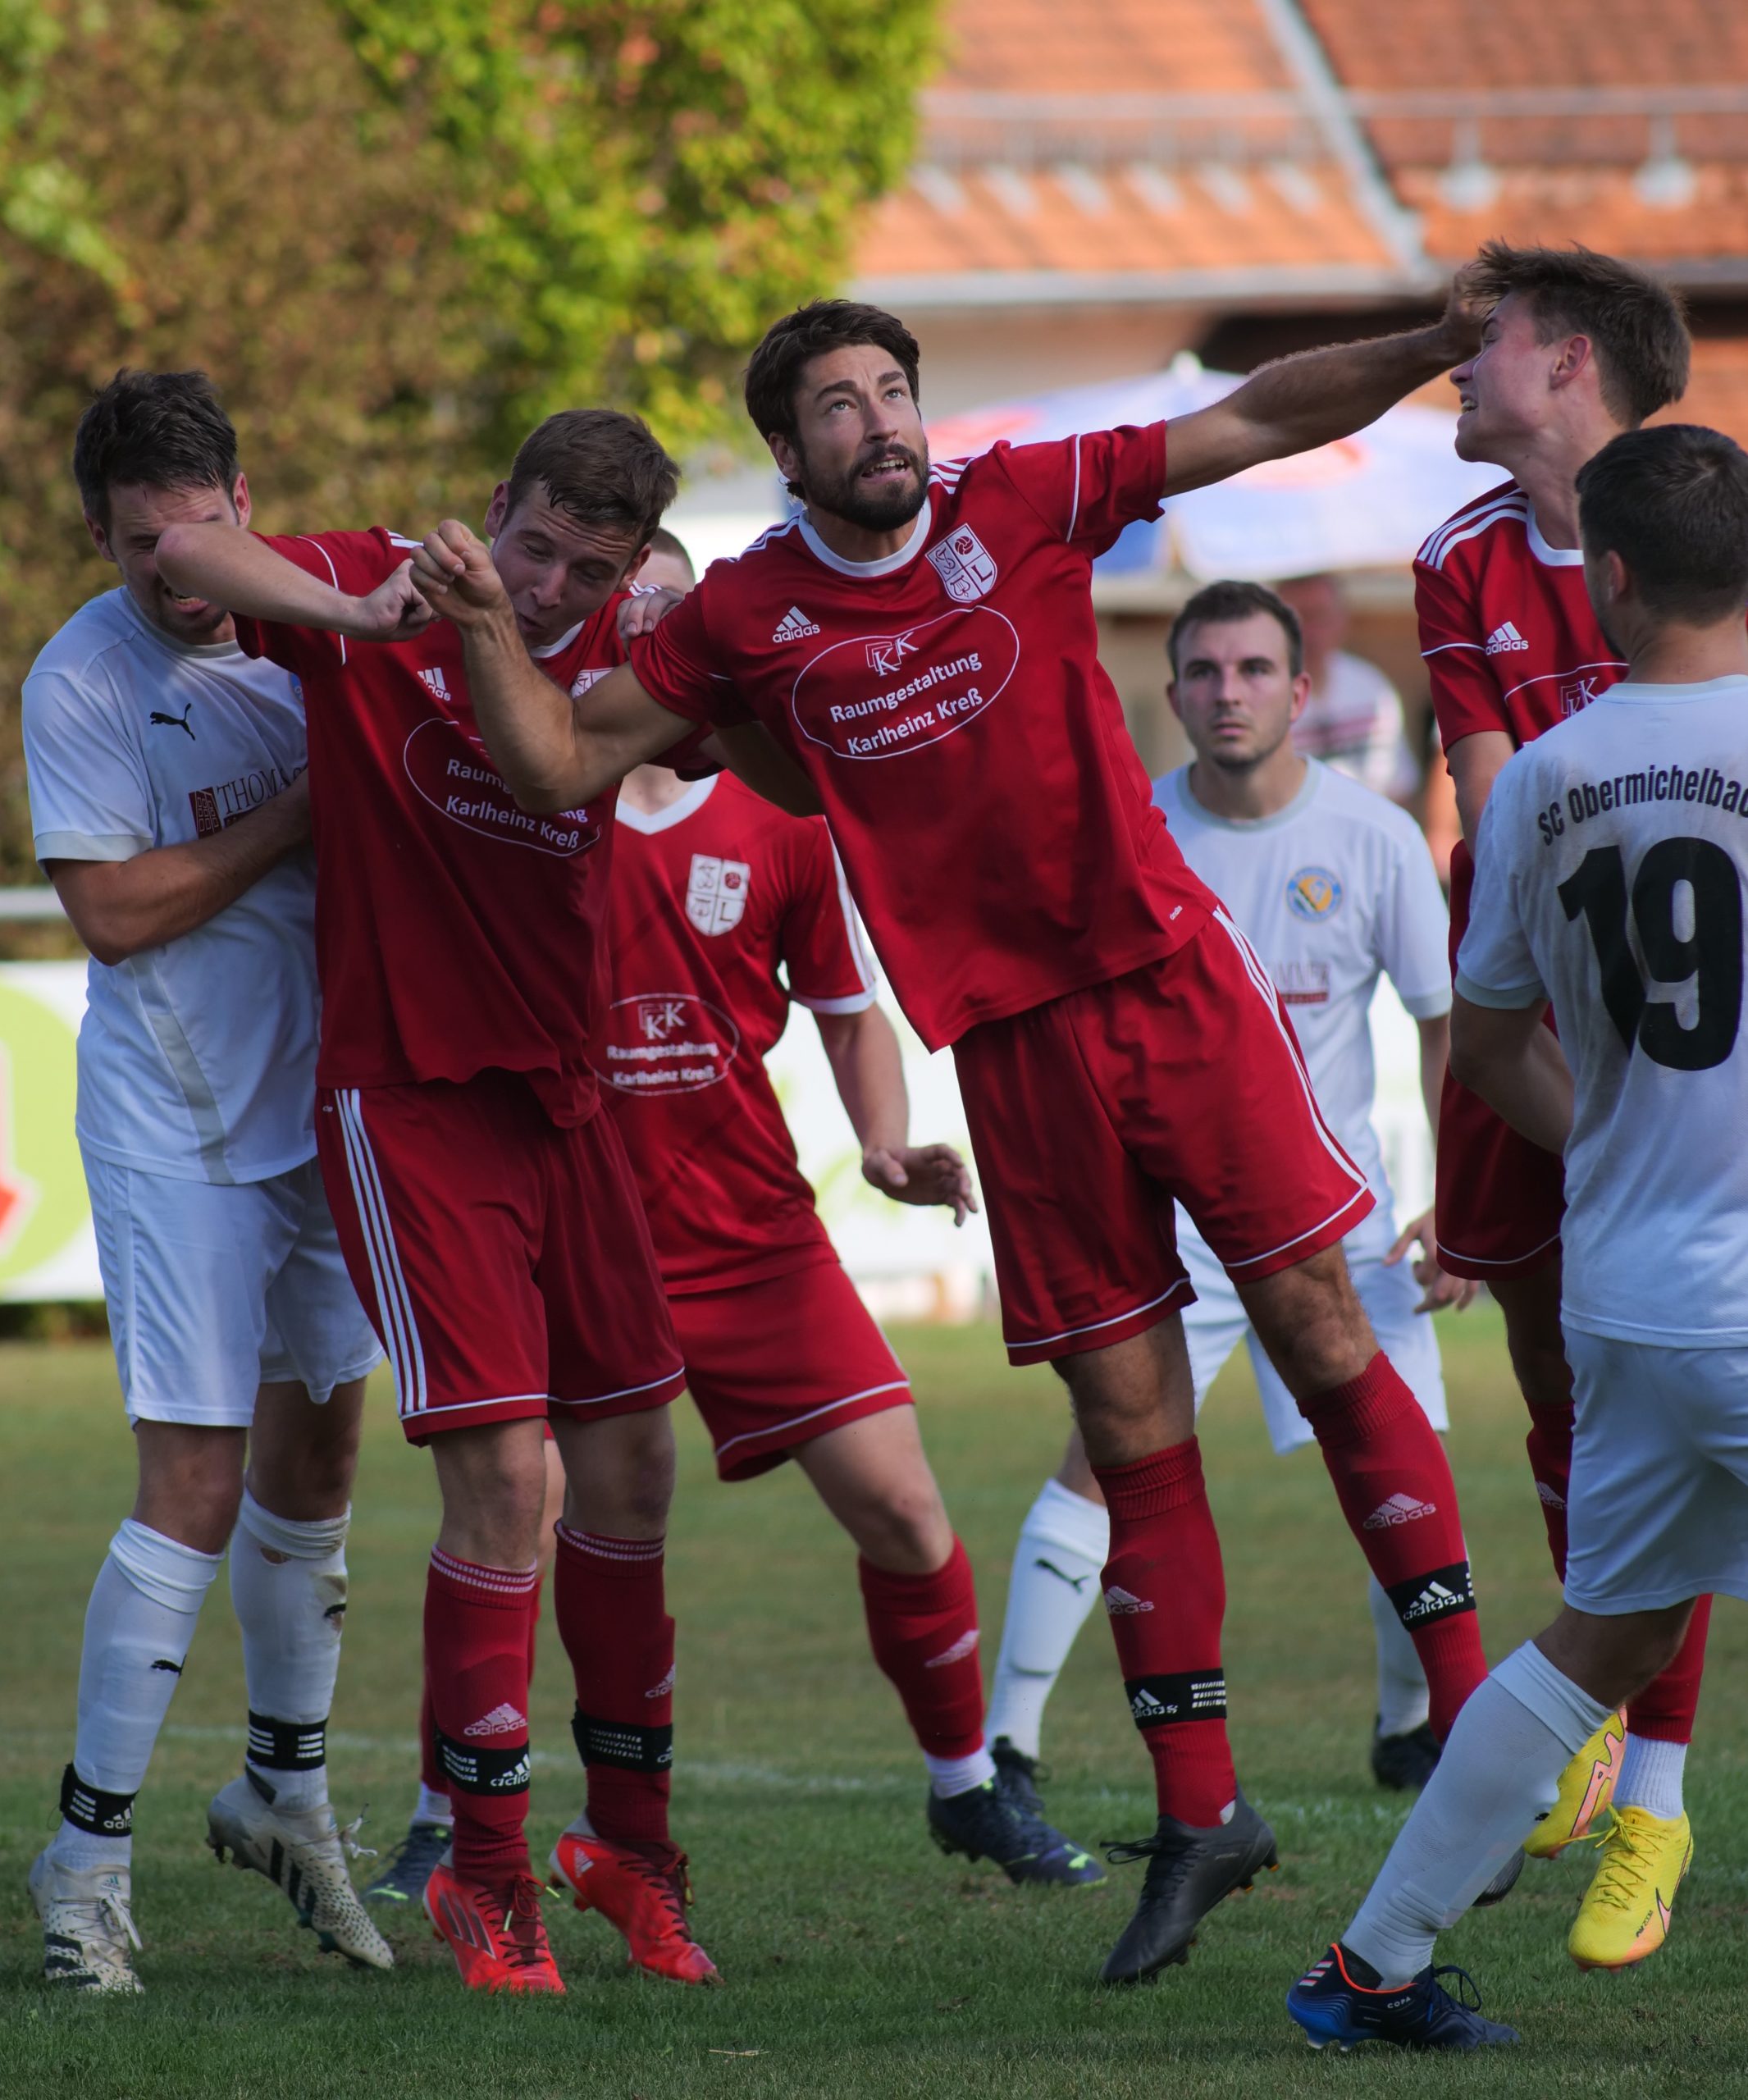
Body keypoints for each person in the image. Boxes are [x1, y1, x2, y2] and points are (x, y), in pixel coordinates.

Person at [404, 285, 1501, 1988]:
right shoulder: (747, 612)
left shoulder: (1027, 495)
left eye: (891, 389)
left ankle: (1477, 1726)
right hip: (1008, 1048)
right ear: (788, 454)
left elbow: (1258, 415)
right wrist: (486, 622)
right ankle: (1202, 1817)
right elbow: (555, 763)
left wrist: (1433, 338)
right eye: (837, 404)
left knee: (1320, 1327)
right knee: (1126, 1422)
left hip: (1168, 983)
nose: (879, 420)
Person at [154, 413, 719, 1997]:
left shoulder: (623, 650)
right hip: (410, 1101)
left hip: (568, 1097)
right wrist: (360, 609)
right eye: (532, 547)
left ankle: (630, 1851)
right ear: (493, 509)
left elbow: (753, 757)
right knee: (505, 1485)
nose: (545, 587)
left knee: (636, 1470)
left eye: (587, 569)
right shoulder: (382, 588)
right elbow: (187, 547)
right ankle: (482, 1873)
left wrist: (698, 639)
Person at [1289, 422, 1748, 2052]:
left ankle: (1372, 1965)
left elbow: (1486, 1044)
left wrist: (1610, 1143)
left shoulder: (1547, 775)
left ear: (1608, 576)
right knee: (1605, 1640)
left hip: (1626, 1284)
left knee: (1600, 1641)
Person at [982, 578, 1469, 1810]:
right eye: (1204, 672)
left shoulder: (1374, 837)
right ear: (1174, 693)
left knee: (1406, 1461)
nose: (1228, 693)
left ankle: (1415, 1726)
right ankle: (1004, 1755)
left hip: (1339, 1223)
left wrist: (1458, 1192)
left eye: (1254, 670)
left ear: (1303, 692)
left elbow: (1443, 1025)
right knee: (1105, 1463)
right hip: (1177, 1236)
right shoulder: (1134, 837)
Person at [21, 371, 390, 1993]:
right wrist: (307, 810)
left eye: (195, 534)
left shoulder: (322, 627)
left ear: (246, 505)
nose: (173, 572)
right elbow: (111, 913)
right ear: (98, 537)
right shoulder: (83, 677)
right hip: (175, 1120)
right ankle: (85, 1859)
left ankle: (283, 1790)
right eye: (138, 546)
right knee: (193, 1477)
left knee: (320, 1457)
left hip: (329, 1103)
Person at [1416, 242, 1709, 1954]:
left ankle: (1652, 1801)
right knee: (1566, 1386)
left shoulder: (1710, 522)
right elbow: (1492, 803)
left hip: (1694, 1035)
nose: (1458, 368)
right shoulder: (1457, 559)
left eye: (1490, 341)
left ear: (1573, 360)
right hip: (1527, 1013)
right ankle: (1596, 1705)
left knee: (1677, 1399)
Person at [1278, 573, 1420, 801]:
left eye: (1320, 616)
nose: (1310, 632)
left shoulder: (1371, 687)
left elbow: (1397, 786)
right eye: (1298, 619)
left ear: (1342, 619)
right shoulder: (1263, 695)